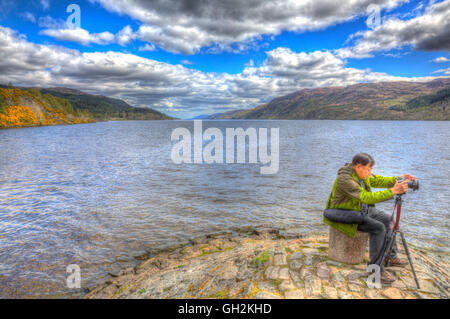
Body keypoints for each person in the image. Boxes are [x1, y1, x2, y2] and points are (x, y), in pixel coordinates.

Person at [324, 153, 416, 283]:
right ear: (359, 166)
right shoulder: (345, 180)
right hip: (347, 214)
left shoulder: (361, 174)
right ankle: (375, 270)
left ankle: (389, 257)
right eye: (369, 169)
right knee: (378, 228)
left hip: (362, 209)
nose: (370, 172)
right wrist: (393, 191)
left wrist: (398, 179)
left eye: (371, 169)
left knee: (389, 220)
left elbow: (378, 180)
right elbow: (367, 197)